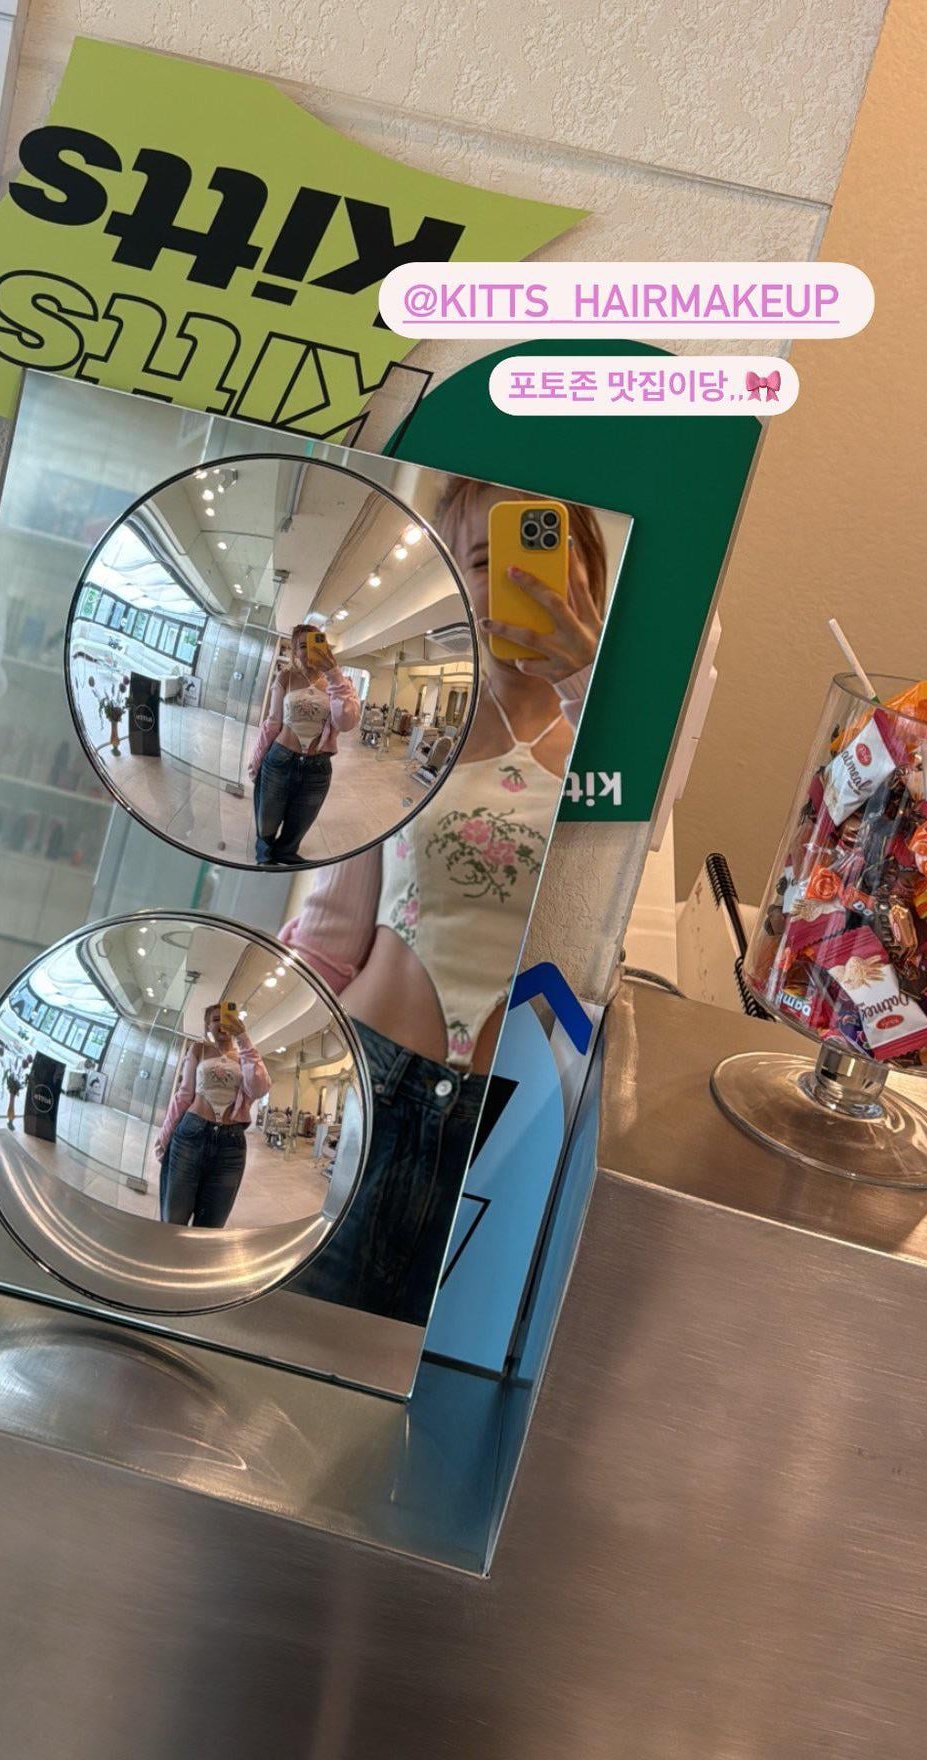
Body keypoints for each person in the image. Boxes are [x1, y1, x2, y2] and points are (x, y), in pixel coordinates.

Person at [279, 481, 605, 1322]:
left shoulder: (617, 749)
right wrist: (267, 1063)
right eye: (484, 562)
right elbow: (330, 934)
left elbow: (607, 916)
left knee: (450, 1376)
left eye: (539, 556)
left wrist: (589, 686)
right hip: (368, 1081)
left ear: (588, 578)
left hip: (512, 1127)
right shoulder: (406, 729)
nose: (516, 582)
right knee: (291, 1345)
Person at [248, 624, 360, 865]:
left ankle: (285, 853)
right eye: (302, 645)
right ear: (294, 651)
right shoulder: (286, 677)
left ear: (325, 648)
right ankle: (264, 857)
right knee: (267, 820)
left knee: (299, 824)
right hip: (279, 759)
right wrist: (257, 759)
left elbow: (346, 723)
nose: (309, 651)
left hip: (317, 768)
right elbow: (272, 723)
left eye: (315, 644)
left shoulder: (341, 683)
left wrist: (334, 674)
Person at [153, 1003, 271, 1227]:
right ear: (207, 1026)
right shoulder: (199, 1049)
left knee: (211, 1225)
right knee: (173, 1219)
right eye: (216, 1019)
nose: (222, 1023)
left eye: (227, 1017)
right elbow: (184, 1095)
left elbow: (259, 1088)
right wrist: (166, 1133)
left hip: (231, 1144)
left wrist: (243, 1037)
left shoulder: (244, 1055)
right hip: (191, 1133)